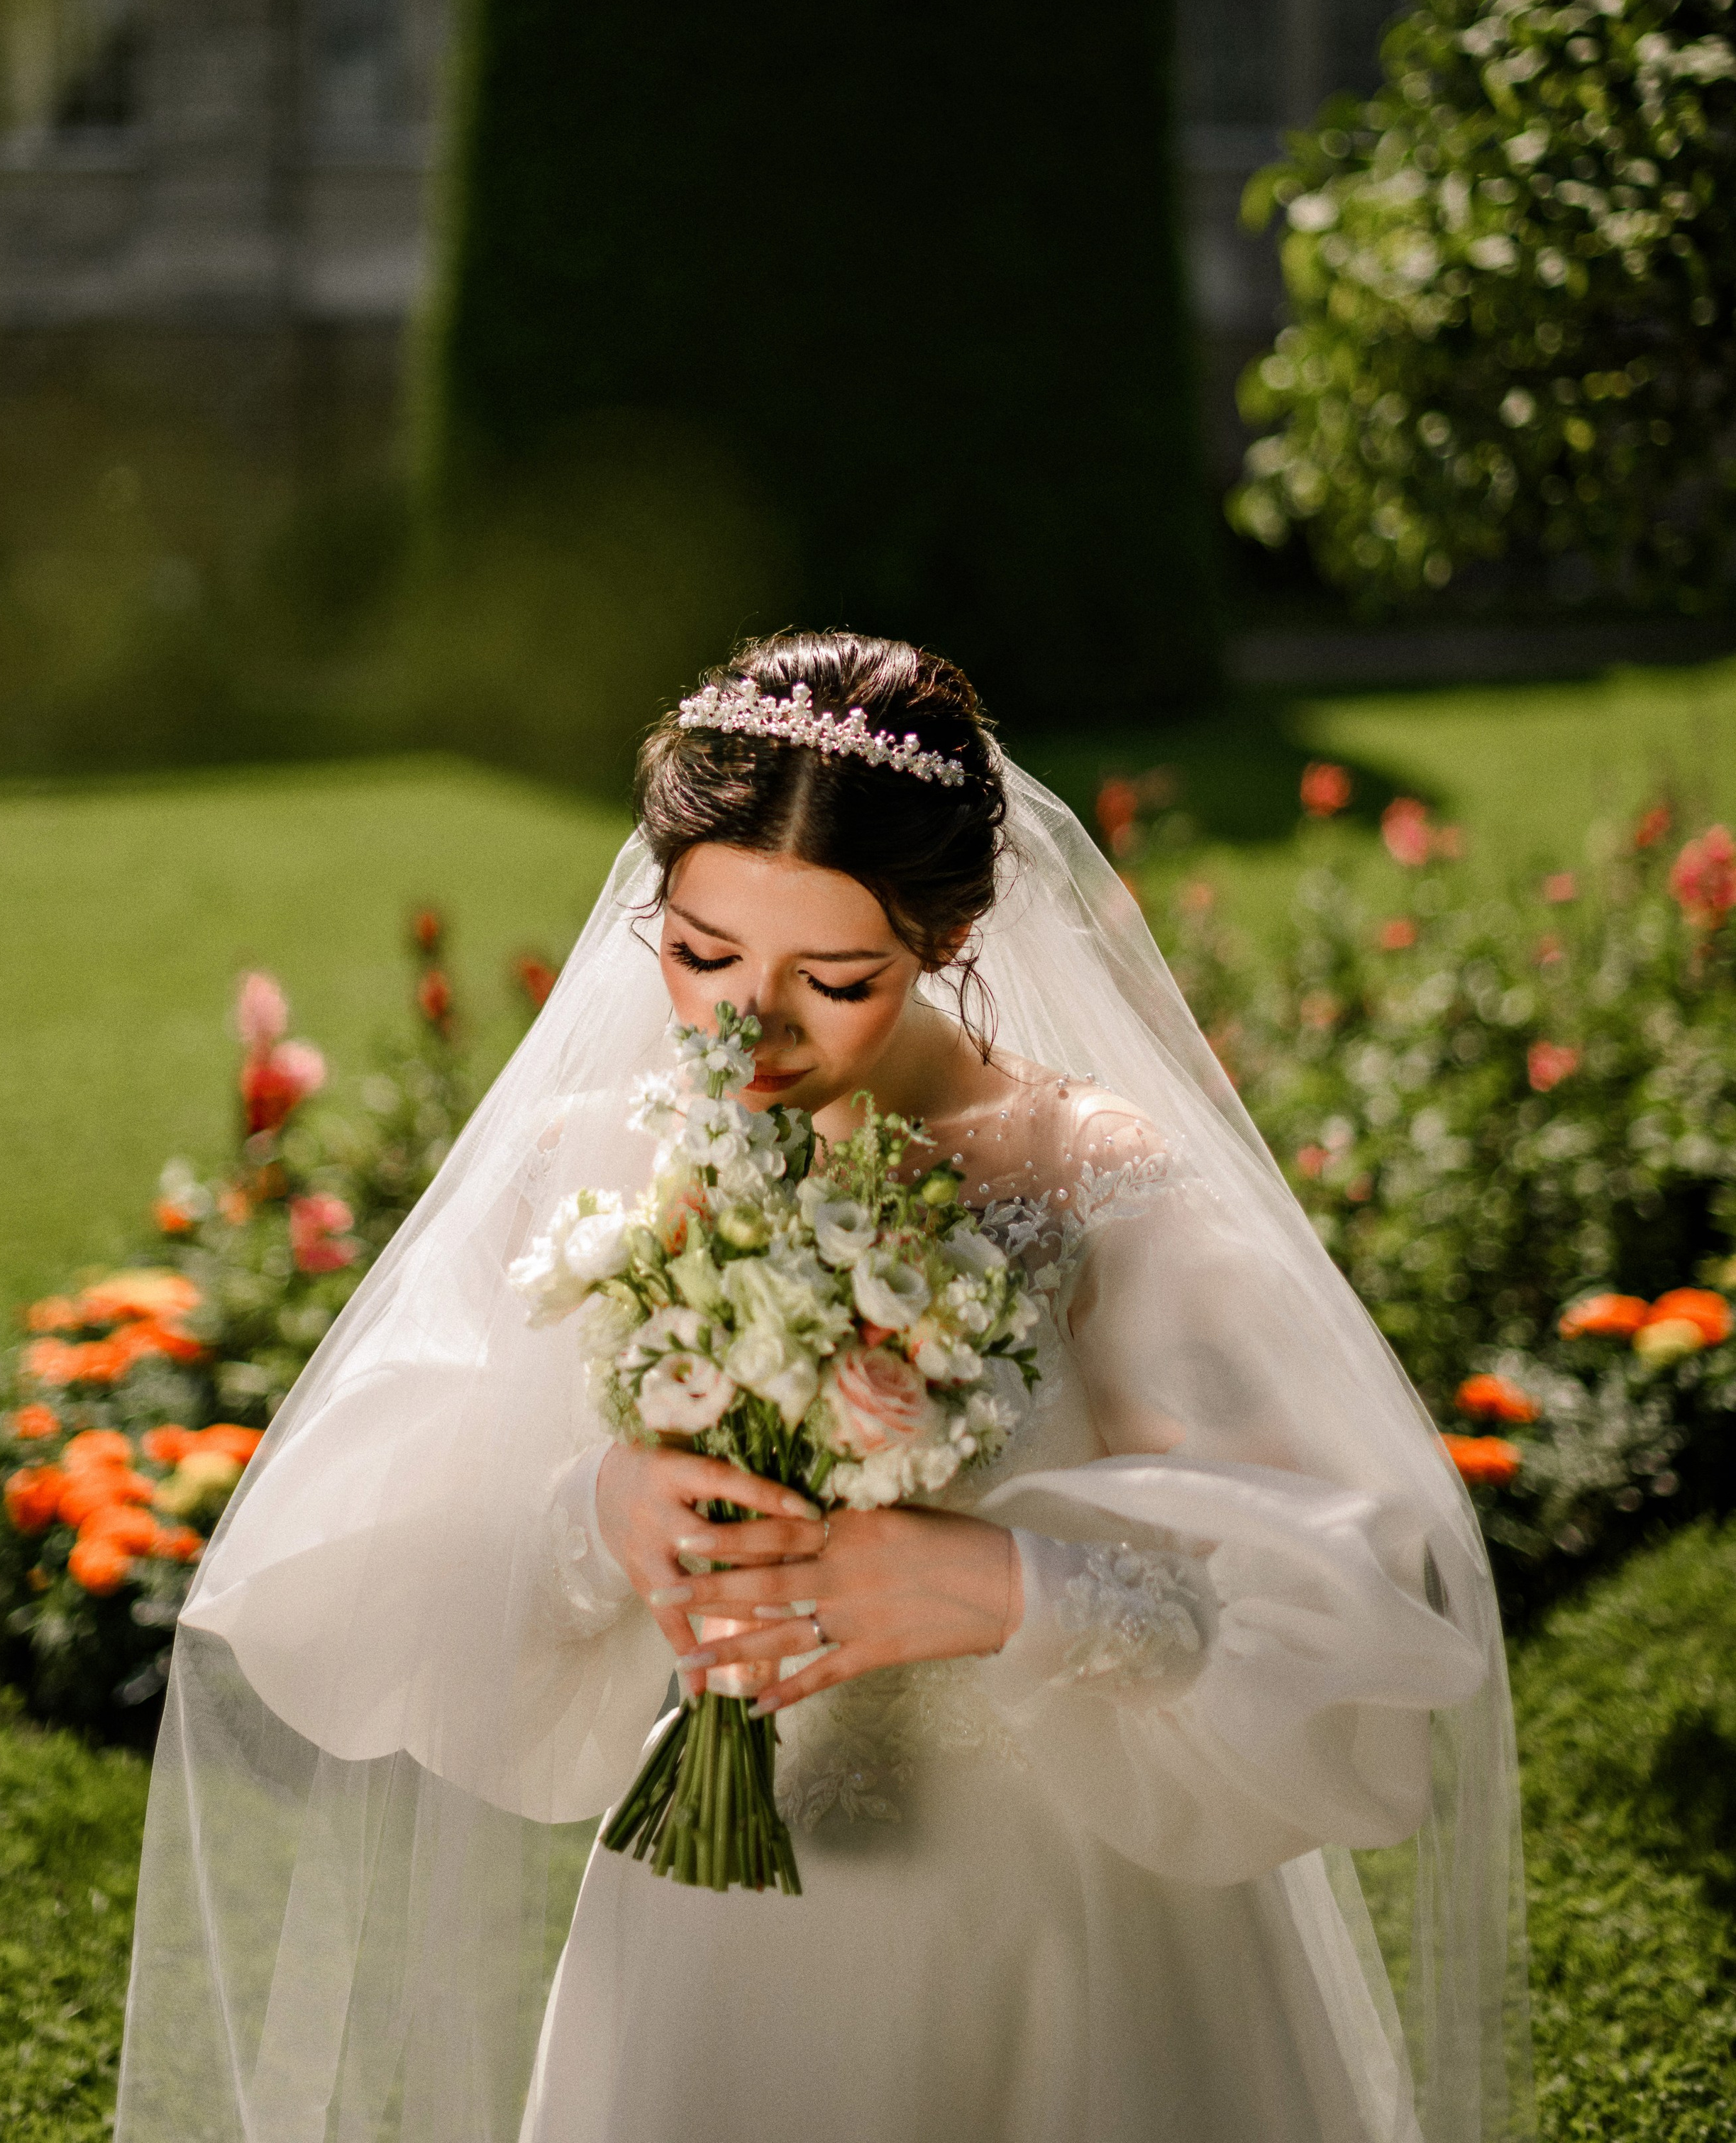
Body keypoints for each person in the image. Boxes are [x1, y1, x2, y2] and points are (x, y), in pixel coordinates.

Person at [115, 631, 1529, 2143]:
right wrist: (599, 1514)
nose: (745, 1026)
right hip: (721, 1894)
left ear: (947, 937)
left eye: (835, 979)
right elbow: (351, 1547)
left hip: (1068, 1909)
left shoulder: (1086, 1177)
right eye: (699, 952)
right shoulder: (604, 1156)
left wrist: (1014, 1589)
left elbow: (1342, 1593)